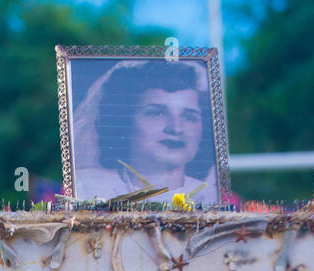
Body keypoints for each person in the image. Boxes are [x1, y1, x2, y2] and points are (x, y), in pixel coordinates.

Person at [71, 59, 218, 204]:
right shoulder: (85, 190)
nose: (175, 128)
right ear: (126, 120)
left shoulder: (213, 198)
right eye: (157, 113)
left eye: (189, 117)